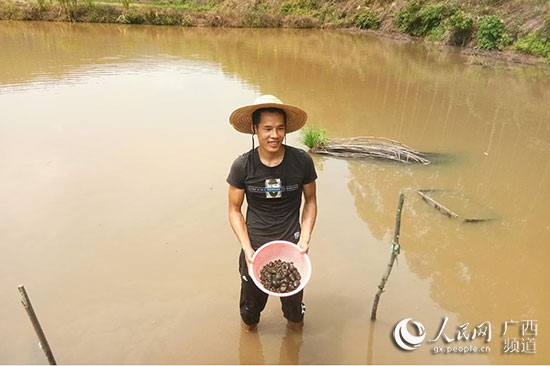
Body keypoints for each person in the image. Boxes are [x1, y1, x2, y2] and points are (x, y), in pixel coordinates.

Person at [227, 94, 318, 332]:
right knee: (249, 316)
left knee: (295, 317)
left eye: (280, 128)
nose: (274, 135)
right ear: (255, 129)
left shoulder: (301, 162)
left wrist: (305, 239)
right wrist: (247, 249)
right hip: (254, 251)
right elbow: (234, 210)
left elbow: (310, 201)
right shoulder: (242, 166)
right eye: (267, 128)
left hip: (293, 251)